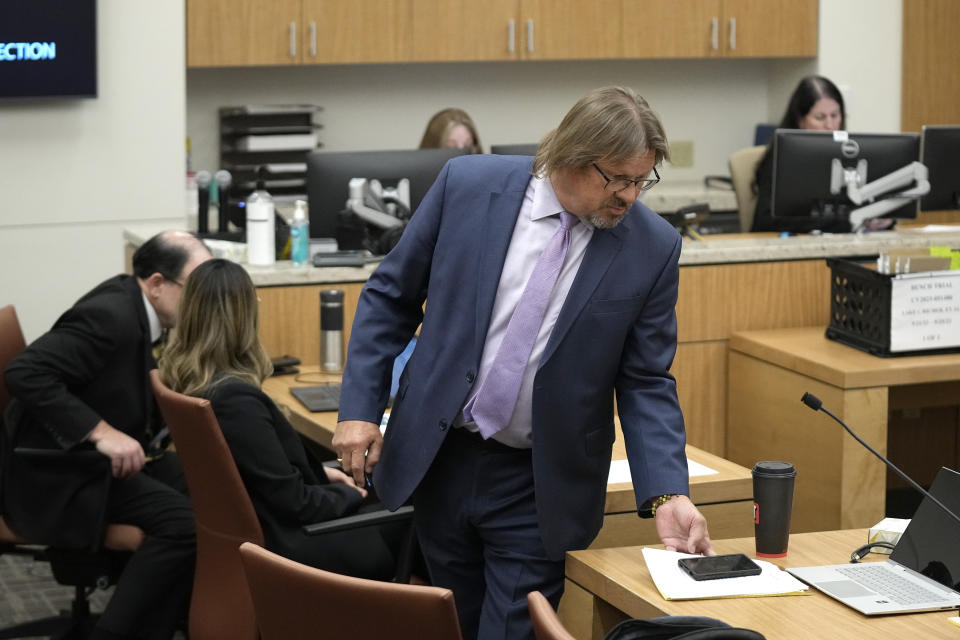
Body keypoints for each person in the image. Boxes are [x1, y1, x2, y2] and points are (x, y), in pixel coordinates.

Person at [334, 86, 714, 640]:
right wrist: (359, 409)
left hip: (540, 482)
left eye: (642, 180)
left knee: (511, 628)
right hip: (443, 457)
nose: (631, 197)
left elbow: (646, 380)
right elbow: (391, 297)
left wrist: (667, 490)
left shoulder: (651, 246)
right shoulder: (467, 187)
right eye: (619, 179)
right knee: (453, 625)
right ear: (572, 157)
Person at [2, 230, 211, 640]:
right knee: (182, 524)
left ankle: (167, 622)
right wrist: (100, 432)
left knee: (201, 482)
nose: (203, 301)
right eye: (196, 289)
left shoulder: (134, 306)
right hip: (54, 474)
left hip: (86, 463)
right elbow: (25, 372)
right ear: (156, 284)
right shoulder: (110, 318)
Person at [159, 258, 402, 580]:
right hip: (298, 544)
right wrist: (348, 494)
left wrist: (320, 474)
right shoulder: (236, 401)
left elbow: (263, 473)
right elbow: (295, 503)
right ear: (245, 316)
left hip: (268, 531)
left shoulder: (188, 382)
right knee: (419, 515)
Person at [752, 75, 849, 232]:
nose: (830, 125)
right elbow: (765, 221)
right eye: (820, 117)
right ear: (800, 120)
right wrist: (842, 222)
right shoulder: (779, 157)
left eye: (835, 116)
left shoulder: (849, 153)